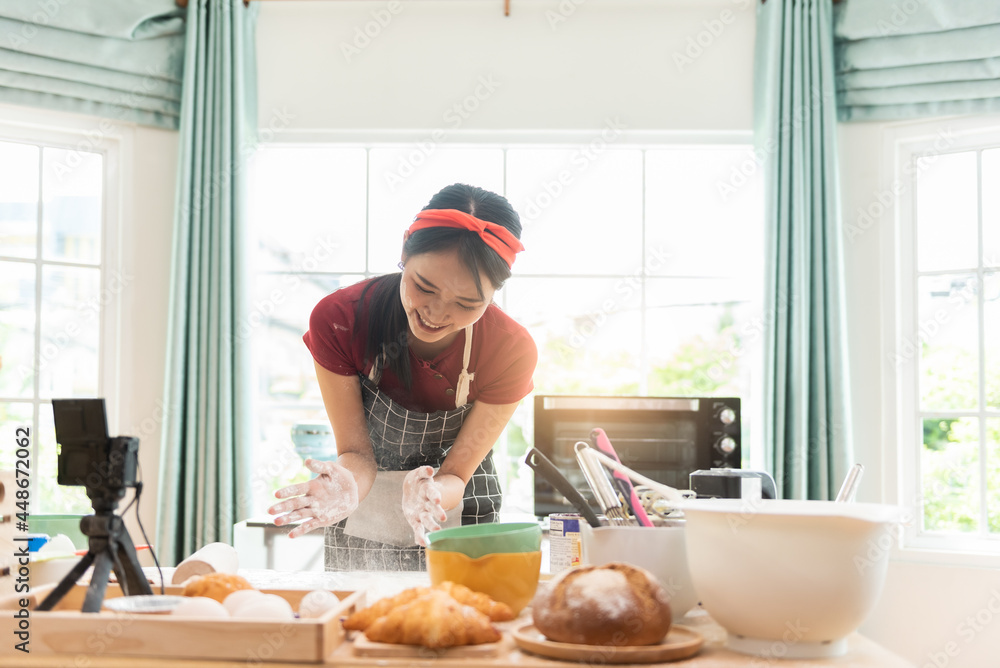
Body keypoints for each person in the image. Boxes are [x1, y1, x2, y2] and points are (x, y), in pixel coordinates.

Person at [268, 183, 538, 571]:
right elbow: (357, 456)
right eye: (423, 287)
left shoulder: (510, 349)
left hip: (453, 508)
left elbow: (457, 474)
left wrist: (432, 494)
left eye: (467, 304)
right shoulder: (342, 319)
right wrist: (340, 486)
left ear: (494, 294)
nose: (437, 313)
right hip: (361, 503)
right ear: (403, 251)